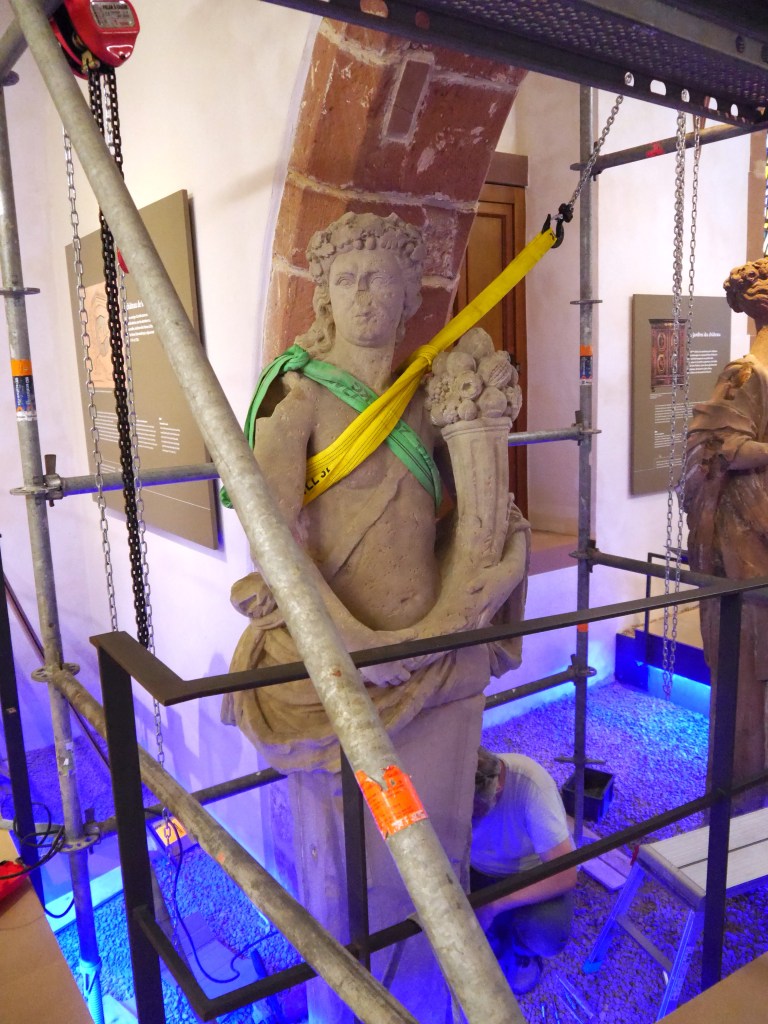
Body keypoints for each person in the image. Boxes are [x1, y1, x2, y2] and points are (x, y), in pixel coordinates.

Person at [223, 211, 530, 773]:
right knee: (350, 816)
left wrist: (508, 569)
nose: (361, 295)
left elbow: (491, 511)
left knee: (439, 799)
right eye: (346, 280)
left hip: (435, 641)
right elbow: (271, 543)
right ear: (326, 298)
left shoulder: (426, 397)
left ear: (409, 296)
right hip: (338, 650)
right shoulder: (298, 397)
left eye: (379, 279)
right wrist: (355, 646)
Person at [682, 256, 768, 809]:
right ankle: (742, 803)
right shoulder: (748, 373)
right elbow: (715, 448)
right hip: (747, 541)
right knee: (749, 672)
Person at [470, 747, 577, 995]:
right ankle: (494, 942)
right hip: (476, 868)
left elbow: (566, 874)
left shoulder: (532, 785)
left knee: (546, 934)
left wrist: (493, 905)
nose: (470, 820)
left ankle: (520, 950)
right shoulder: (452, 783)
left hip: (530, 874)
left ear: (497, 789)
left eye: (475, 812)